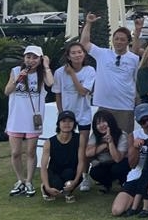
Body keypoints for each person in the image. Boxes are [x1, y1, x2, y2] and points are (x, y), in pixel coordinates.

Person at [5, 45, 53, 197]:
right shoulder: (15, 71)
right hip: (16, 118)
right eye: (28, 57)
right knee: (15, 152)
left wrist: (46, 66)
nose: (31, 60)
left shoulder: (42, 74)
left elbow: (50, 83)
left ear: (40, 59)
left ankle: (29, 181)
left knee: (31, 151)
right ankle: (20, 179)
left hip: (33, 119)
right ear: (24, 58)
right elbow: (7, 91)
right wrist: (18, 79)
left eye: (35, 57)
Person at [81, 13, 139, 133]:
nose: (118, 42)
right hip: (104, 105)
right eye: (116, 39)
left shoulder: (134, 59)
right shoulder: (102, 54)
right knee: (101, 138)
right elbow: (84, 44)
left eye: (122, 39)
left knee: (124, 139)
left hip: (125, 106)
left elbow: (136, 81)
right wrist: (89, 24)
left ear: (128, 42)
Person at [53, 42, 95, 191]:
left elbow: (83, 92)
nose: (77, 55)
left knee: (82, 148)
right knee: (67, 146)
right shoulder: (59, 72)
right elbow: (57, 94)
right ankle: (67, 176)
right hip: (66, 115)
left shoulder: (89, 70)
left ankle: (84, 176)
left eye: (80, 52)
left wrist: (72, 74)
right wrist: (61, 114)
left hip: (83, 115)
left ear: (84, 54)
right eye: (74, 53)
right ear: (68, 56)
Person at [40, 110, 84, 203]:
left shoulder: (80, 138)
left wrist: (75, 181)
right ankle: (45, 187)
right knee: (57, 184)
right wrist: (47, 187)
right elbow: (43, 167)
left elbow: (81, 161)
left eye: (70, 121)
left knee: (71, 174)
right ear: (58, 124)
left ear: (74, 124)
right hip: (54, 172)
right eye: (63, 121)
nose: (67, 124)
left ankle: (68, 192)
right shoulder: (49, 142)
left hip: (70, 171)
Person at [86, 110, 130, 194]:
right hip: (103, 163)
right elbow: (88, 153)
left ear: (110, 121)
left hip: (118, 163)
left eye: (104, 121)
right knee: (94, 172)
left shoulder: (122, 135)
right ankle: (106, 184)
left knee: (118, 169)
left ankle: (123, 183)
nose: (101, 125)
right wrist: (104, 145)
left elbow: (117, 159)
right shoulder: (95, 135)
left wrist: (110, 142)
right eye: (98, 123)